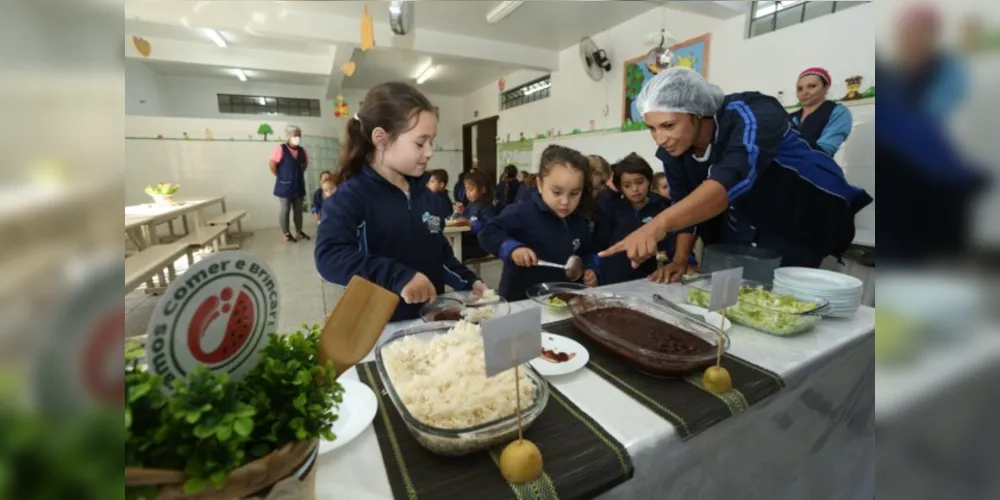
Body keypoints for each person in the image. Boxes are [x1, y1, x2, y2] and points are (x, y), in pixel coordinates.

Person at [600, 67, 872, 282]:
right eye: (652, 128)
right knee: (729, 299)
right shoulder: (674, 152)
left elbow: (730, 180)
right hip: (743, 223)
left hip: (799, 217)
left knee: (781, 301)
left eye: (669, 125)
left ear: (698, 114)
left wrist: (655, 226)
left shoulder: (752, 113)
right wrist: (680, 258)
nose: (660, 139)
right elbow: (684, 203)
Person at [316, 82, 489, 321]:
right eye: (420, 143)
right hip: (377, 326)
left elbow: (439, 254)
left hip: (431, 319)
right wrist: (398, 276)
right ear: (381, 139)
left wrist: (471, 281)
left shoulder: (428, 198)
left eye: (431, 142)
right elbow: (329, 257)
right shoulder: (350, 198)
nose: (429, 152)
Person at [479, 145, 599, 300]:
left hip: (561, 301)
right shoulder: (522, 211)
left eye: (574, 193)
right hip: (520, 301)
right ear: (540, 184)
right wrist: (512, 248)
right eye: (557, 192)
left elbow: (586, 253)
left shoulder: (578, 220)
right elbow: (488, 232)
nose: (565, 201)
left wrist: (591, 271)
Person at [594, 153, 688, 285]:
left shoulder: (662, 206)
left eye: (639, 182)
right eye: (627, 185)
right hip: (616, 279)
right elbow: (600, 244)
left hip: (654, 277)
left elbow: (672, 242)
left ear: (649, 180)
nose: (634, 189)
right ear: (620, 188)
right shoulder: (612, 208)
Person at [788, 67, 853, 156]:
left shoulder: (837, 112)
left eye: (811, 86)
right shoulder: (791, 117)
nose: (804, 92)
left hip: (816, 168)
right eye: (800, 89)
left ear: (826, 87)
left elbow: (825, 150)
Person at [270, 124, 310, 242]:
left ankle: (299, 231)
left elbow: (304, 164)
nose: (297, 137)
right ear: (288, 136)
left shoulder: (303, 151)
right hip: (284, 185)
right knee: (285, 209)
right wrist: (281, 175)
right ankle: (286, 233)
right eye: (294, 135)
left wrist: (296, 174)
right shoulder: (280, 149)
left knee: (298, 210)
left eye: (299, 135)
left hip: (298, 184)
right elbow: (272, 165)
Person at [454, 170, 497, 260]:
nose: (468, 193)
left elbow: (490, 229)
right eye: (466, 190)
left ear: (483, 189)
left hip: (481, 246)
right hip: (469, 241)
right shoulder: (471, 205)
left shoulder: (487, 208)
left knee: (455, 251)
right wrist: (460, 214)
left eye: (471, 189)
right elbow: (465, 221)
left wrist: (472, 224)